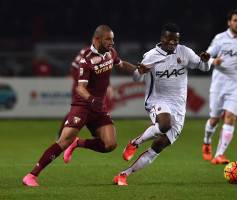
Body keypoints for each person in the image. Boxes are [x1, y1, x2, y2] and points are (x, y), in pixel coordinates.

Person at [22, 25, 148, 187]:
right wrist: (91, 99)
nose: (112, 42)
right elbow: (80, 88)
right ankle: (31, 176)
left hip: (98, 107)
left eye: (113, 39)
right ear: (97, 39)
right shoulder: (86, 60)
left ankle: (78, 143)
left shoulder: (111, 53)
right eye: (108, 39)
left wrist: (138, 69)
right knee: (63, 140)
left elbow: (121, 64)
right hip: (82, 106)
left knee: (110, 144)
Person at [113, 23, 211, 186]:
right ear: (162, 39)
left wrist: (206, 62)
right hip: (157, 100)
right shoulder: (151, 56)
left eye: (176, 40)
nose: (173, 43)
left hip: (179, 106)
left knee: (158, 146)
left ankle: (123, 175)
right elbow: (137, 78)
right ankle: (135, 143)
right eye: (169, 39)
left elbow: (203, 66)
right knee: (165, 124)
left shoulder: (185, 52)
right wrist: (140, 72)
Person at [201, 9, 237, 164]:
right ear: (229, 22)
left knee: (230, 117)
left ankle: (219, 154)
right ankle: (206, 141)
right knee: (214, 119)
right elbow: (208, 55)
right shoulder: (220, 38)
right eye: (235, 20)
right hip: (219, 84)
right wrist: (212, 61)